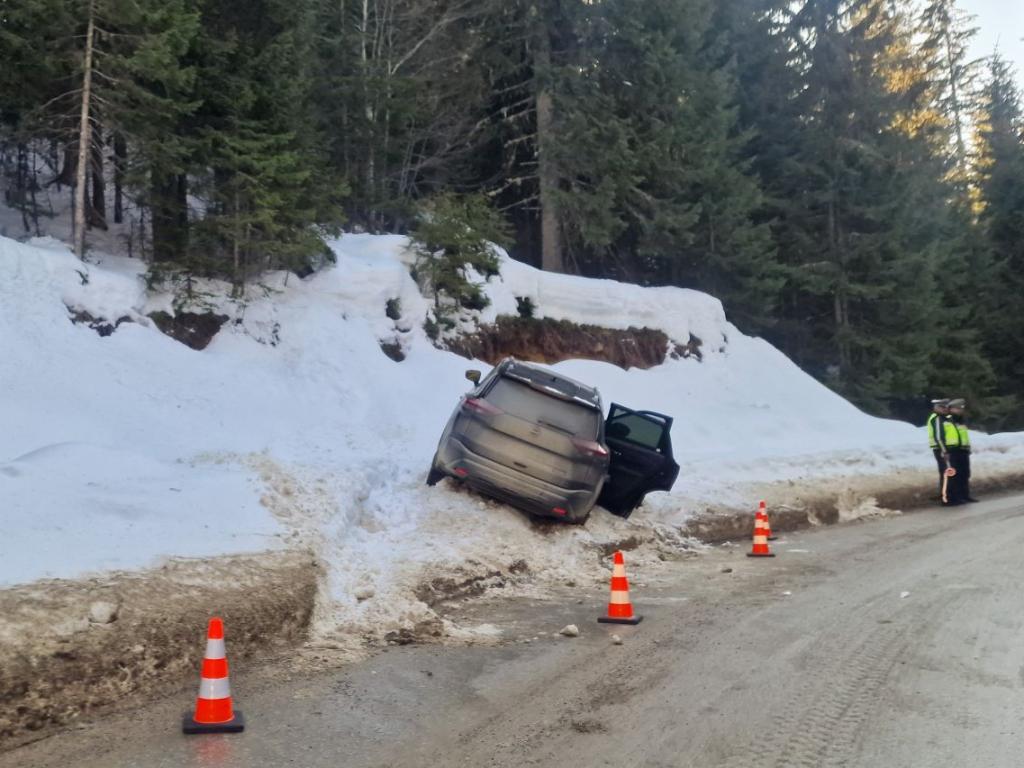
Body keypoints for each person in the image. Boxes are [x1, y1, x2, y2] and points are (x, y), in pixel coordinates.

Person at [945, 398, 977, 503]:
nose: (960, 411)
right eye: (958, 409)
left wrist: (967, 448)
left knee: (965, 473)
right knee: (955, 474)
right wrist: (945, 450)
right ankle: (955, 497)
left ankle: (965, 495)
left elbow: (963, 436)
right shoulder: (946, 420)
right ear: (951, 409)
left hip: (963, 450)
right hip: (952, 450)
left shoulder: (961, 420)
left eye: (961, 409)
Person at [926, 398, 951, 501]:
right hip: (941, 448)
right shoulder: (937, 418)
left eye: (946, 407)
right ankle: (945, 495)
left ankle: (945, 493)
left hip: (941, 448)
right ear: (937, 408)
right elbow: (939, 437)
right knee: (946, 472)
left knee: (946, 471)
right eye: (942, 407)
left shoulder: (942, 418)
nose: (945, 409)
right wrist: (944, 451)